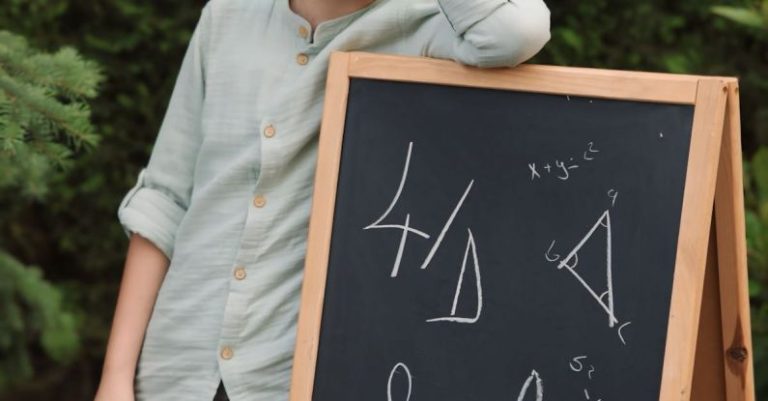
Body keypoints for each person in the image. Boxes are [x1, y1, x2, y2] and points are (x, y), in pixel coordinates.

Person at [94, 0, 551, 400]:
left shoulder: (426, 28)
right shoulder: (226, 15)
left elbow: (516, 33)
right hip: (175, 370)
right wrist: (115, 376)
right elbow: (164, 200)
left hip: (295, 378)